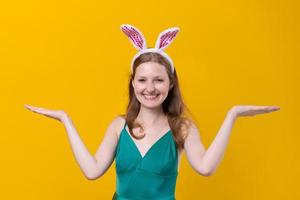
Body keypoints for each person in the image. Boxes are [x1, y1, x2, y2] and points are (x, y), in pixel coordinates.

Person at [25, 24, 280, 200]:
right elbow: (92, 171)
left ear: (170, 84)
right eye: (142, 80)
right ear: (133, 84)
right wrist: (65, 120)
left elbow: (205, 167)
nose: (150, 88)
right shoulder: (118, 126)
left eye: (158, 80)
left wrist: (232, 115)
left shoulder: (183, 128)